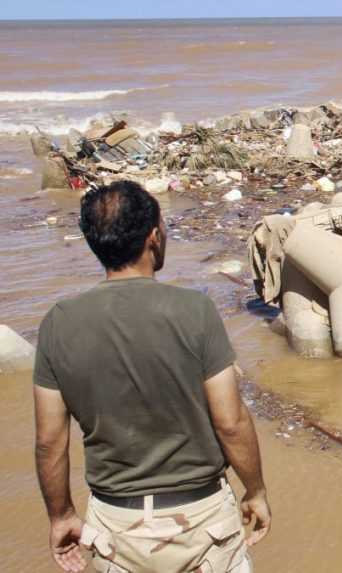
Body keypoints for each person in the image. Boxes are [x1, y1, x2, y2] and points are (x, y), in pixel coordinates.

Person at [34, 181, 271, 573]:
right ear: (153, 237)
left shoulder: (58, 324)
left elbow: (49, 442)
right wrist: (256, 490)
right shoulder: (195, 310)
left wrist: (61, 516)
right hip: (202, 520)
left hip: (116, 527)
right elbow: (231, 422)